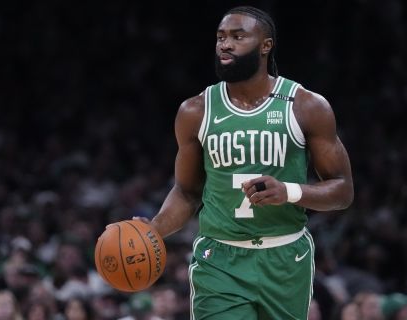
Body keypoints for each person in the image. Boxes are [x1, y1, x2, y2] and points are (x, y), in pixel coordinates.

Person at [124, 5, 353, 319]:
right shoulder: (196, 111)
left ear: (265, 45)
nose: (224, 44)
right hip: (219, 259)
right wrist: (153, 230)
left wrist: (289, 191)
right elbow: (187, 192)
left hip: (286, 258)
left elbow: (342, 190)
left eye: (237, 36)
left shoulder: (306, 106)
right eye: (220, 37)